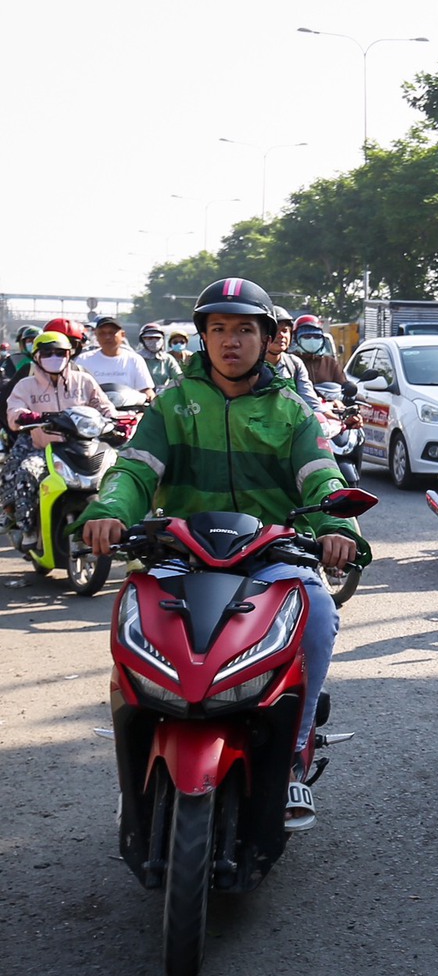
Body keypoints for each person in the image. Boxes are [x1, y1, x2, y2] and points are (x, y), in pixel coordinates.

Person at [78, 278, 367, 831]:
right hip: (179, 549)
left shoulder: (292, 412)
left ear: (266, 338)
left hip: (270, 552)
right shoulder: (172, 404)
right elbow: (137, 468)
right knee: (133, 613)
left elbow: (321, 477)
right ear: (203, 338)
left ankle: (293, 755)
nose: (230, 341)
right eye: (218, 330)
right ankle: (140, 738)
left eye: (243, 330)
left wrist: (335, 526)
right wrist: (108, 513)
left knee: (319, 612)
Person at [2, 330, 120, 528]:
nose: (54, 357)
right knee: (26, 472)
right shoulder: (25, 384)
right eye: (47, 353)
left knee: (115, 470)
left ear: (69, 355)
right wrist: (27, 415)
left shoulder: (84, 380)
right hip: (42, 449)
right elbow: (13, 411)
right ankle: (26, 526)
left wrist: (115, 420)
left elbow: (104, 405)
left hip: (82, 448)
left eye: (60, 353)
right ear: (36, 356)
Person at [78, 317, 157, 404]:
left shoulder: (135, 360)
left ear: (122, 335)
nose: (107, 337)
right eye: (102, 333)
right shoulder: (83, 360)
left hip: (129, 412)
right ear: (96, 336)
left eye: (111, 333)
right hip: (94, 413)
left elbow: (146, 390)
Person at [264, 306, 315, 404]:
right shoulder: (250, 364)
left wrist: (328, 416)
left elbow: (309, 401)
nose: (281, 335)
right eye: (276, 331)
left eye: (285, 331)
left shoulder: (294, 364)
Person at [290, 319, 348, 388]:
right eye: (307, 337)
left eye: (317, 337)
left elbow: (343, 387)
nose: (312, 340)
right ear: (297, 340)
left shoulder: (330, 363)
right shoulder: (290, 361)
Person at [134, 322, 182, 391]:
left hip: (163, 396)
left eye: (157, 338)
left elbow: (179, 377)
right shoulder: (136, 358)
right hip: (141, 397)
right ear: (142, 340)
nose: (154, 341)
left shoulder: (167, 359)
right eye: (149, 338)